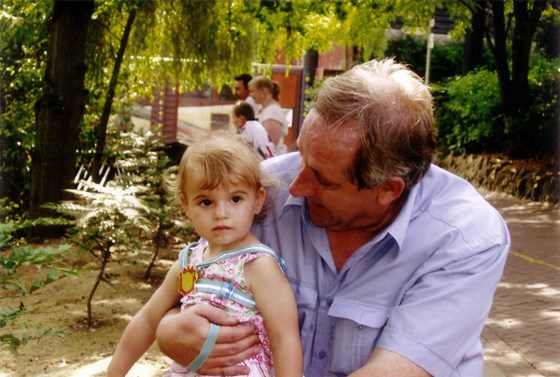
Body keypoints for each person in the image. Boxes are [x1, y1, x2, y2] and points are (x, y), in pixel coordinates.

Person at [156, 59, 511, 377]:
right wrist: (169, 329)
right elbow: (192, 281)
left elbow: (396, 370)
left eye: (323, 179)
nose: (296, 185)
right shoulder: (260, 191)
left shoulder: (466, 236)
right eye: (301, 156)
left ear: (387, 189)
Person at [107, 133, 302, 377]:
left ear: (257, 200)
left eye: (235, 199)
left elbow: (285, 339)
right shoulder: (188, 262)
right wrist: (114, 372)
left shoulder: (258, 265)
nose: (221, 213)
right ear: (187, 205)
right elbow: (148, 319)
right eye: (206, 202)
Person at [249, 76, 289, 155]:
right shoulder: (266, 109)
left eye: (252, 91)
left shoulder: (272, 111)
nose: (251, 95)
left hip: (271, 162)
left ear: (263, 90)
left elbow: (271, 142)